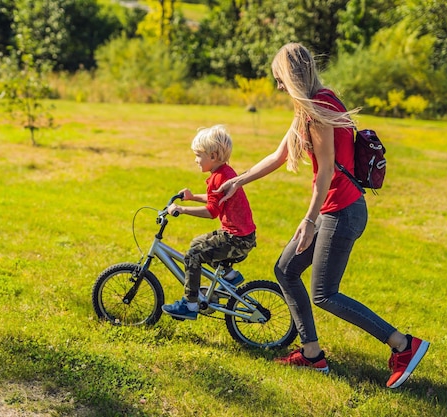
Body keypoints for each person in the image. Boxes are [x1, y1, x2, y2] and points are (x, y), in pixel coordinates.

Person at [215, 43, 429, 389]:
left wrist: (310, 220)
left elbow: (326, 170)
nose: (279, 88)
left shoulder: (317, 108)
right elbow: (278, 155)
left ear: (290, 76)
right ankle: (312, 354)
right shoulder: (317, 103)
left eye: (279, 80)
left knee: (325, 293)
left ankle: (404, 346)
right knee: (286, 269)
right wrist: (237, 181)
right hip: (340, 208)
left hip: (341, 211)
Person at [161, 125, 257, 321]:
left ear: (213, 156)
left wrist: (182, 209)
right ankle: (230, 276)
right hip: (242, 236)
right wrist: (192, 197)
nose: (196, 160)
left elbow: (212, 211)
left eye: (198, 155)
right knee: (198, 243)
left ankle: (190, 304)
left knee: (193, 255)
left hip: (235, 239)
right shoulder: (225, 172)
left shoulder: (218, 177)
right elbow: (215, 198)